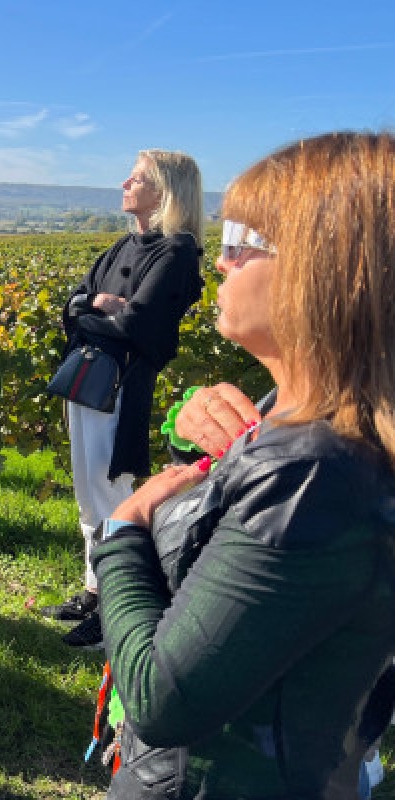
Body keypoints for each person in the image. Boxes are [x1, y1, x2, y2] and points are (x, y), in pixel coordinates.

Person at [93, 131, 395, 798]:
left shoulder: (316, 475)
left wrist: (122, 530)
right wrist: (187, 428)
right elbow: (228, 493)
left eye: (242, 240)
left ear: (321, 269)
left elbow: (162, 698)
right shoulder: (296, 414)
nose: (223, 261)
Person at [41, 150, 205, 649]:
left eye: (135, 179)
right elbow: (72, 304)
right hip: (86, 378)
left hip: (120, 386)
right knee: (88, 491)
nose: (124, 185)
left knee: (112, 491)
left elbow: (139, 325)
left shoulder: (177, 252)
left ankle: (118, 612)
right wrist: (97, 305)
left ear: (164, 190)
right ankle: (94, 591)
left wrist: (93, 311)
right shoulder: (123, 245)